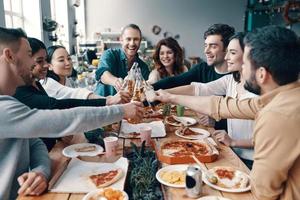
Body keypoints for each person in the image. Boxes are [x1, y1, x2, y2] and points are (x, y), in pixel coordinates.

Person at [153, 26, 300, 200]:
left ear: (262, 74)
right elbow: (221, 105)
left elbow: (263, 193)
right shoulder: (282, 98)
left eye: (245, 64)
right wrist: (170, 97)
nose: (242, 70)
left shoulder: (277, 114)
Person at [0, 27, 143, 199]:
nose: (34, 64)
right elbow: (64, 117)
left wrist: (40, 171)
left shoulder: (10, 101)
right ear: (9, 56)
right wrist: (120, 110)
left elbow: (34, 142)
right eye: (29, 54)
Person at [160, 32, 256, 168]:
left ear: (248, 56)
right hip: (231, 152)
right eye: (227, 52)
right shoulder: (231, 80)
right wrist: (162, 94)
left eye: (232, 53)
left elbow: (268, 140)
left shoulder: (259, 92)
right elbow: (196, 89)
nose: (227, 57)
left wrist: (234, 141)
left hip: (251, 161)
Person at [13, 37, 126, 151]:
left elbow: (49, 117)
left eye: (68, 58)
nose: (67, 63)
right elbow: (64, 102)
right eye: (39, 61)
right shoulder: (44, 85)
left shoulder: (39, 84)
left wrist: (59, 133)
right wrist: (108, 101)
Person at [42, 45, 130, 103]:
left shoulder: (66, 80)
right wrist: (110, 100)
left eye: (68, 58)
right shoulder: (49, 85)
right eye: (61, 60)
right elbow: (77, 94)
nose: (68, 63)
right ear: (49, 66)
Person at [94, 24, 150, 96]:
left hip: (126, 106)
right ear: (121, 40)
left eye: (136, 39)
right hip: (103, 105)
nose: (132, 43)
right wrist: (115, 81)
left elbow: (142, 93)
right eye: (128, 39)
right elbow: (102, 74)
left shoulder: (143, 67)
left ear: (140, 41)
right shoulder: (109, 54)